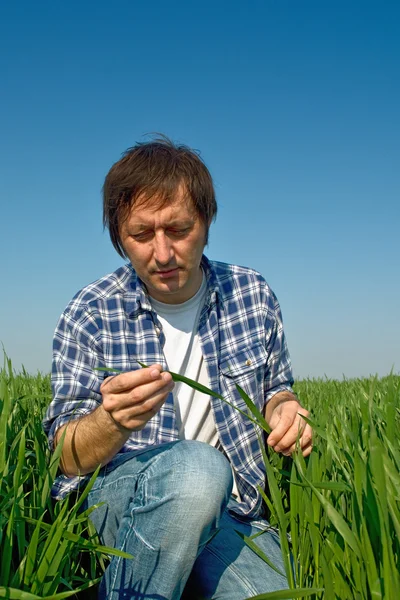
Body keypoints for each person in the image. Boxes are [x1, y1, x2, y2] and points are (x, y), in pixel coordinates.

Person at [43, 136, 312, 600]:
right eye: (142, 235)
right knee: (198, 471)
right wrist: (111, 422)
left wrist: (285, 407)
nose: (162, 254)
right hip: (127, 497)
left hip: (236, 509)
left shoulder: (253, 294)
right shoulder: (90, 310)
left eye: (179, 230)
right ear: (119, 239)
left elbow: (277, 388)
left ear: (207, 223)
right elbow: (64, 456)